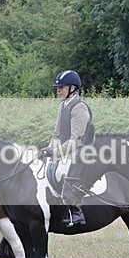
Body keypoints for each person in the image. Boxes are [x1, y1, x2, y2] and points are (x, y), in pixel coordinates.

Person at [41, 69, 92, 227]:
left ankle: (76, 211)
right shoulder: (63, 106)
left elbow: (76, 139)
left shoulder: (79, 107)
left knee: (64, 172)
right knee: (44, 169)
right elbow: (56, 134)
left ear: (73, 88)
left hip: (80, 152)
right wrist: (48, 150)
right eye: (58, 87)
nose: (58, 90)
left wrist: (56, 153)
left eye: (62, 87)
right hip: (65, 151)